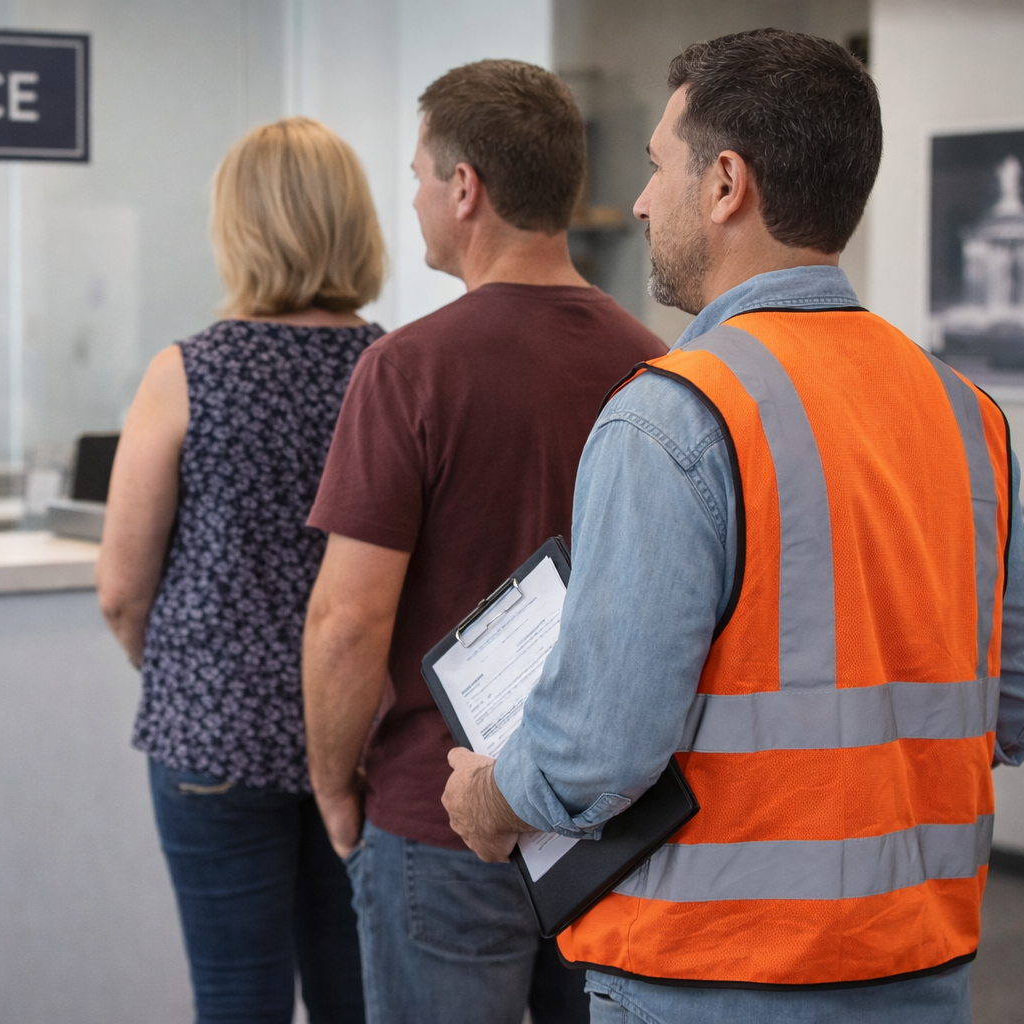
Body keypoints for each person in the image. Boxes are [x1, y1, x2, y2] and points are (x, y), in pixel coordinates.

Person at [442, 29, 1024, 1024]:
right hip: (920, 972)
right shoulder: (962, 411)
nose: (639, 202)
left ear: (725, 184)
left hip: (710, 979)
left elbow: (598, 747)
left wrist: (491, 796)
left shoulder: (677, 415)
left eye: (654, 168)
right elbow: (1018, 700)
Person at [302, 61, 663, 1024]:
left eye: (420, 173)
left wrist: (333, 784)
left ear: (465, 189)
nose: (414, 196)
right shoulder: (665, 371)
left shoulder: (406, 372)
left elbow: (346, 622)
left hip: (439, 822)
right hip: (610, 820)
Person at [96, 116, 386, 1024]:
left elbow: (119, 590)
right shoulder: (399, 369)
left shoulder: (186, 374)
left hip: (213, 735)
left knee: (235, 994)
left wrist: (196, 675)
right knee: (354, 990)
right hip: (368, 730)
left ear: (239, 228)